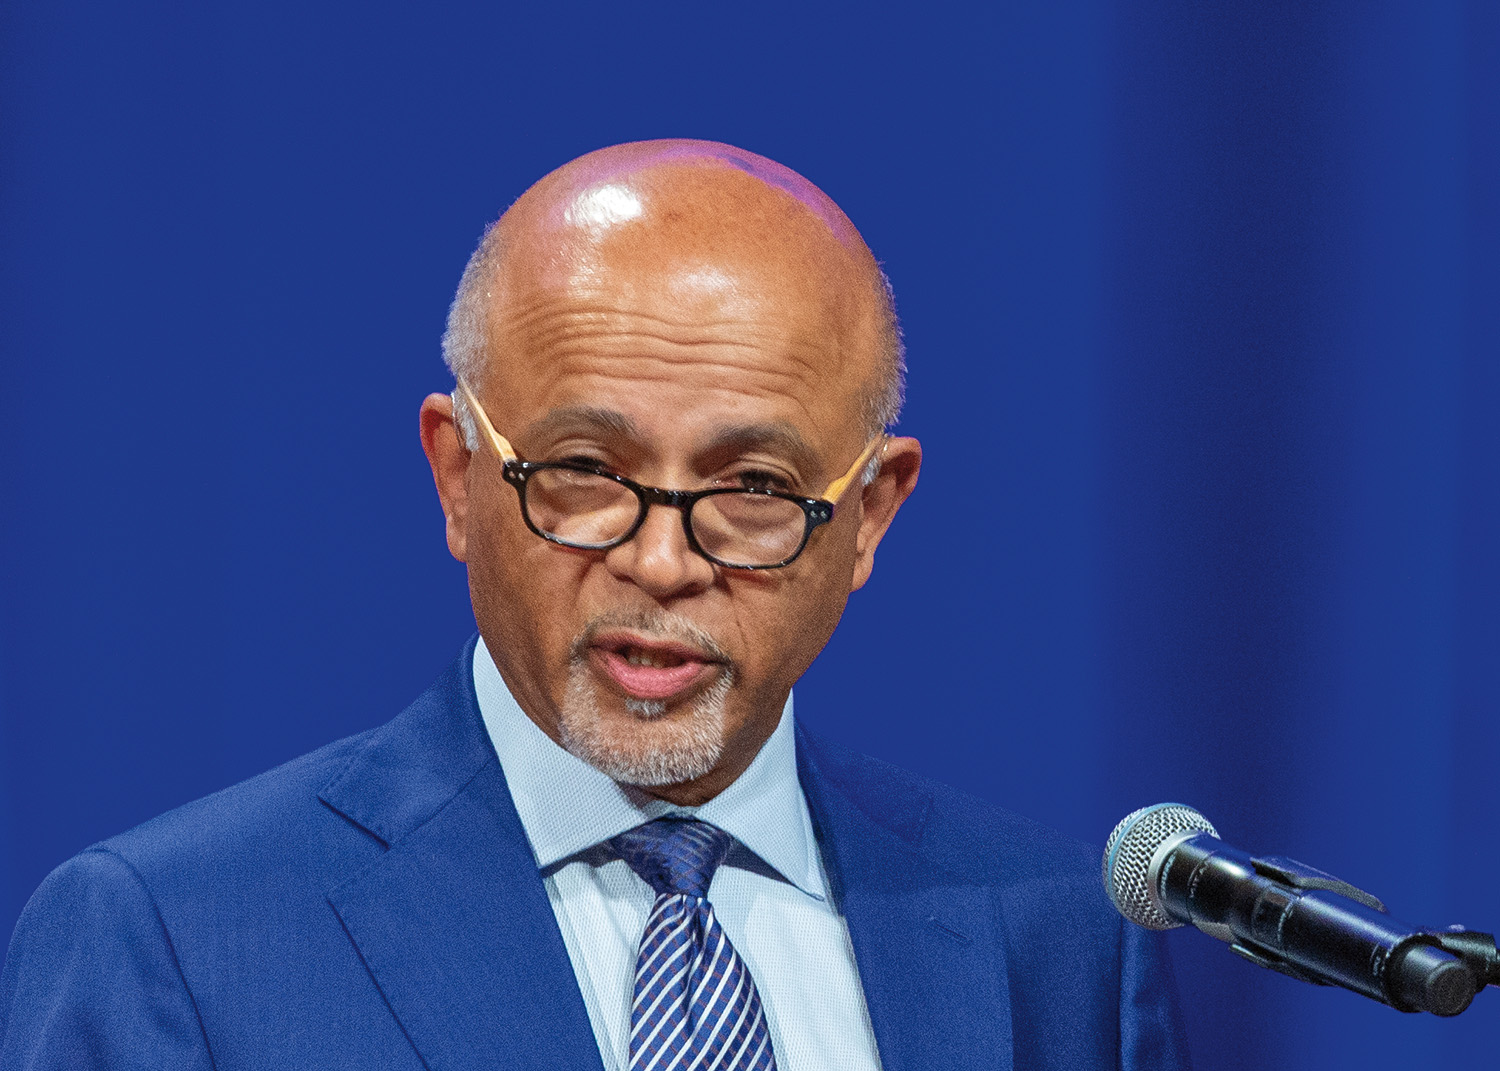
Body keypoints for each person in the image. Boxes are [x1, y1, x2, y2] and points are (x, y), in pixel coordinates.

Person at [0, 140, 1190, 1070]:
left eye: (754, 488)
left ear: (870, 511)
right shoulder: (178, 940)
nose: (663, 562)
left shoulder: (1057, 940)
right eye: (583, 472)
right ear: (458, 475)